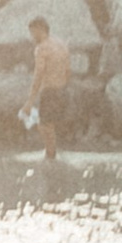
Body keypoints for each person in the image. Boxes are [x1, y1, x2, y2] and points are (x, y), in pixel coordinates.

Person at [28, 14, 75, 167]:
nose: (32, 36)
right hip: (63, 89)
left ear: (40, 29)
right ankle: (52, 154)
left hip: (50, 91)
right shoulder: (61, 44)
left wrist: (30, 101)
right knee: (51, 125)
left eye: (33, 32)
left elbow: (38, 75)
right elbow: (68, 69)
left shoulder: (42, 48)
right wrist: (65, 85)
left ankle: (51, 157)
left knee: (45, 125)